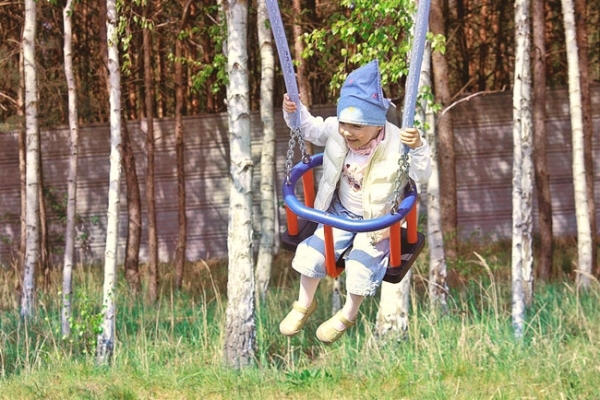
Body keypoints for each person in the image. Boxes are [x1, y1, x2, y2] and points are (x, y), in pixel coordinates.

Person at [279, 60, 432, 344]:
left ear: (377, 123)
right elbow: (309, 128)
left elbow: (422, 175)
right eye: (344, 124)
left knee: (360, 268)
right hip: (339, 213)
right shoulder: (338, 131)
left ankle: (347, 315)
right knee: (310, 254)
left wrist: (418, 147)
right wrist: (294, 111)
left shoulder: (397, 143)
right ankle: (303, 304)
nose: (348, 132)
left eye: (356, 126)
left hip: (377, 223)